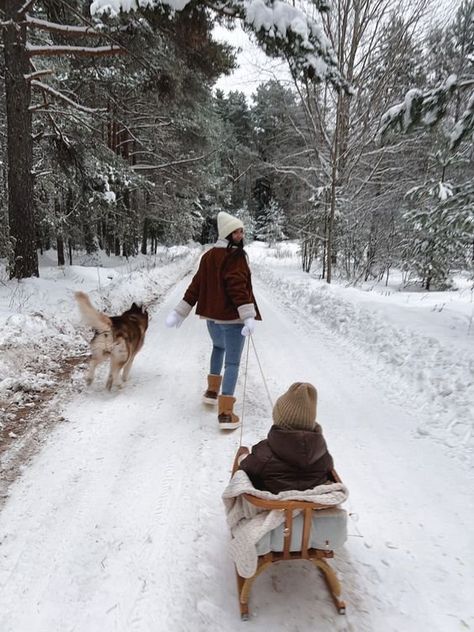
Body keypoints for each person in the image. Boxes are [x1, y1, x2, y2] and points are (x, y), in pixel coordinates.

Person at [165, 211, 261, 430]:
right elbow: (237, 287)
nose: (240, 235)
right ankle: (226, 413)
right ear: (227, 233)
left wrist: (181, 311)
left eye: (241, 231)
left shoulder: (208, 256)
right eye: (236, 232)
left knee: (218, 348)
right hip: (233, 319)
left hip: (212, 320)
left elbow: (196, 285)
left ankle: (211, 392)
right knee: (233, 362)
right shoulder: (234, 256)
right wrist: (247, 316)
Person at [238, 382, 333, 494]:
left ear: (279, 419)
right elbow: (328, 471)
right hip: (310, 506)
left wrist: (242, 457)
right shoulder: (322, 455)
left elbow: (247, 467)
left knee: (242, 456)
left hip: (275, 504)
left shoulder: (264, 454)